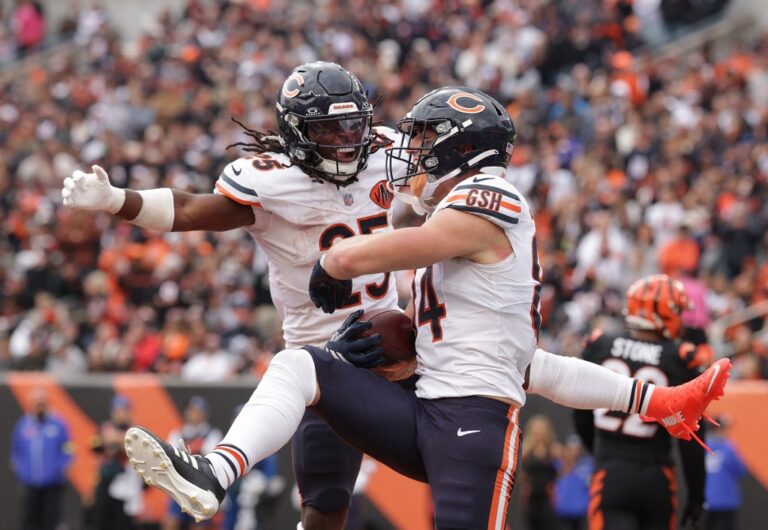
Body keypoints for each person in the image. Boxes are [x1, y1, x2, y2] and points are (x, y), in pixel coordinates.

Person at [119, 87, 730, 528]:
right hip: (423, 405)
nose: (411, 150)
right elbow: (537, 366)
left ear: (461, 148)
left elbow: (421, 247)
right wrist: (657, 400)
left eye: (426, 140)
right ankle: (215, 472)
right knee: (299, 365)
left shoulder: (495, 197)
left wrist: (336, 261)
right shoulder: (455, 205)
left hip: (473, 425)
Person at [573, 274, 710, 530]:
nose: (681, 320)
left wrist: (606, 456)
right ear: (663, 314)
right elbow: (693, 438)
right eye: (677, 311)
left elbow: (580, 415)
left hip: (610, 474)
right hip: (656, 477)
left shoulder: (599, 345)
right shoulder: (679, 358)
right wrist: (696, 494)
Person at [10, 387, 73, 530]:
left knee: (50, 522)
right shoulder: (23, 425)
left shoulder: (58, 425)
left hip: (52, 485)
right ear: (31, 404)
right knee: (29, 521)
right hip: (30, 485)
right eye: (36, 403)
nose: (39, 406)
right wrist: (22, 472)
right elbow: (16, 452)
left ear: (48, 403)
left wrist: (59, 470)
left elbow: (68, 450)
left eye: (42, 403)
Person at [164, 396, 223, 530]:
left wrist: (187, 453)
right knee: (170, 521)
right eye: (192, 410)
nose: (195, 414)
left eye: (198, 410)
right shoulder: (177, 433)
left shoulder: (213, 434)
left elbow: (208, 459)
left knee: (199, 525)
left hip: (200, 488)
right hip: (179, 486)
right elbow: (171, 458)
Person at [704, 416, 748, 530]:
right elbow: (741, 470)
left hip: (705, 501)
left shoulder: (703, 446)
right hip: (726, 501)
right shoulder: (728, 448)